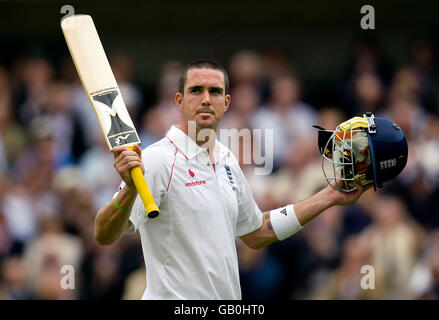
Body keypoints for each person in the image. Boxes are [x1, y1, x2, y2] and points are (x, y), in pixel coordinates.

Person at [94, 59, 370, 300]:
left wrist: (330, 196)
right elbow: (104, 234)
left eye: (214, 92)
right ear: (179, 100)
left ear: (226, 103)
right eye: (196, 91)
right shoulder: (156, 160)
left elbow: (256, 232)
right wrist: (130, 189)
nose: (205, 99)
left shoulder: (226, 158)